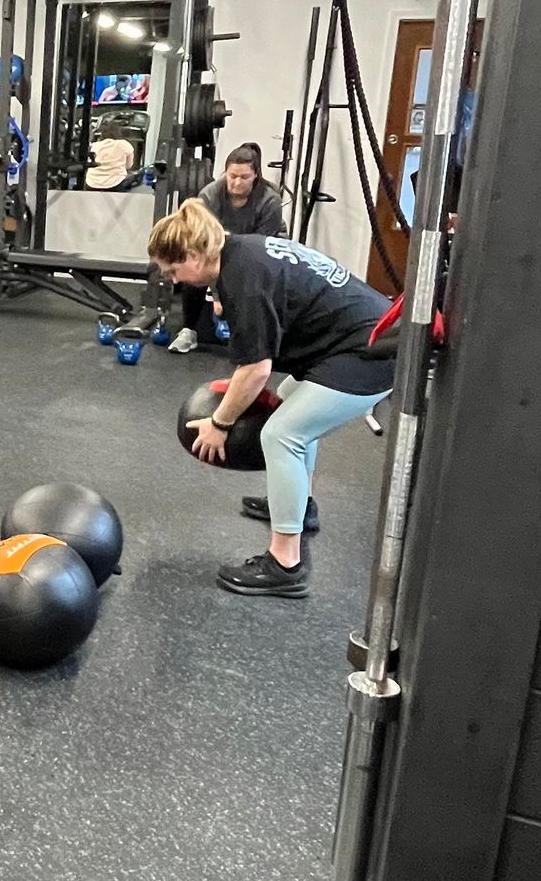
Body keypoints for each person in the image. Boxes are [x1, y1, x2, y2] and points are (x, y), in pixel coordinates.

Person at [148, 196, 394, 598]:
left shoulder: (243, 279)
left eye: (173, 270)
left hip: (372, 353)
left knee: (282, 434)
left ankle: (284, 564)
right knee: (292, 399)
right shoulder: (240, 250)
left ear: (193, 254)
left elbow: (255, 370)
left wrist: (220, 424)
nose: (173, 279)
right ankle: (300, 507)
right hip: (362, 337)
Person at [167, 142, 285, 352]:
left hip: (257, 249)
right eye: (232, 176)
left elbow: (259, 248)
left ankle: (258, 337)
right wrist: (216, 294)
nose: (237, 182)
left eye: (244, 177)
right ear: (225, 172)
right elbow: (200, 241)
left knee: (254, 276)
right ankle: (189, 331)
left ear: (256, 175)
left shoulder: (270, 200)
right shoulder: (209, 196)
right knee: (193, 266)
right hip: (216, 248)